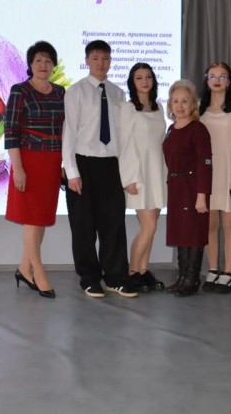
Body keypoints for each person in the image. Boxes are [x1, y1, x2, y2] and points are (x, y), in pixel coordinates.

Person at [63, 40, 137, 298]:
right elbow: (69, 132)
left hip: (111, 164)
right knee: (83, 226)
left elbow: (123, 135)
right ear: (87, 61)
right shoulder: (76, 91)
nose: (101, 63)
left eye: (105, 58)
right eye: (95, 58)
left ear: (111, 61)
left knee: (113, 223)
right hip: (83, 163)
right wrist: (71, 172)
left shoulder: (118, 93)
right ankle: (89, 277)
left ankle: (115, 277)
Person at [5, 41, 66, 299]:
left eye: (48, 61)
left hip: (52, 162)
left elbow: (67, 129)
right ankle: (38, 272)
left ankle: (23, 268)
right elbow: (11, 131)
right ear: (30, 64)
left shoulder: (61, 92)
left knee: (40, 218)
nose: (43, 65)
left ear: (53, 65)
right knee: (31, 218)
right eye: (38, 60)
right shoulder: (20, 91)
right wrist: (18, 168)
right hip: (28, 162)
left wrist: (65, 164)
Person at [198, 62, 231, 294]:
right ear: (206, 80)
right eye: (213, 76)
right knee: (210, 225)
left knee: (229, 225)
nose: (217, 80)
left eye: (222, 76)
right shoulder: (199, 107)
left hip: (229, 174)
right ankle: (213, 269)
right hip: (207, 174)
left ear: (229, 80)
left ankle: (228, 273)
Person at [119, 63, 168, 293]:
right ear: (132, 82)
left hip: (158, 172)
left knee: (152, 227)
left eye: (148, 77)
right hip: (139, 174)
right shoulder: (128, 108)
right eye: (139, 77)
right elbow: (125, 145)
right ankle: (131, 273)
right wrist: (129, 178)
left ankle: (143, 270)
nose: (145, 81)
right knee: (148, 227)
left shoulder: (159, 107)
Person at [162, 80, 212, 297]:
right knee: (181, 233)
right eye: (175, 101)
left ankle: (192, 280)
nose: (179, 106)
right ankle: (182, 277)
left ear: (193, 104)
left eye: (184, 101)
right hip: (176, 187)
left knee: (193, 233)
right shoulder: (171, 129)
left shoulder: (198, 129)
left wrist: (202, 196)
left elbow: (205, 164)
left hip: (192, 187)